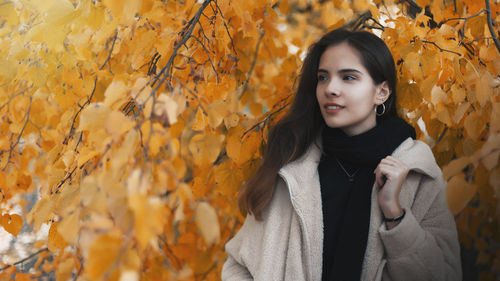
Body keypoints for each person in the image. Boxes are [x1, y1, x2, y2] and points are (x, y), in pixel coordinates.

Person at [221, 28, 462, 281]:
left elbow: (446, 274)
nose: (330, 89)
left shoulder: (416, 171)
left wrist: (395, 214)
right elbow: (238, 265)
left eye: (348, 78)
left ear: (381, 92)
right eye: (323, 78)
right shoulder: (292, 167)